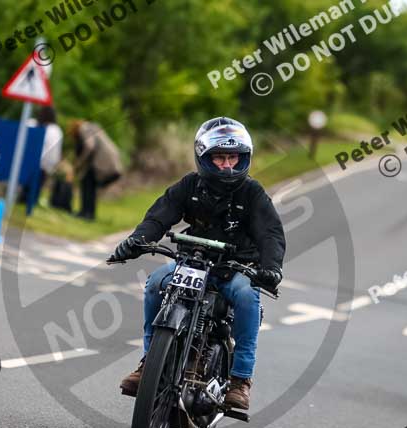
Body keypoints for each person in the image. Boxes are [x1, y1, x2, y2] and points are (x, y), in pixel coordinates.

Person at [109, 117, 286, 409]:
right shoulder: (189, 185)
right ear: (203, 158)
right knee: (155, 283)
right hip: (193, 262)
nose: (227, 165)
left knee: (245, 295)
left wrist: (271, 268)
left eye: (233, 158)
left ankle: (241, 379)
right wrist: (136, 240)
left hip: (235, 268)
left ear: (244, 159)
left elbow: (270, 234)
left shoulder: (252, 193)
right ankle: (148, 361)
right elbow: (159, 216)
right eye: (219, 158)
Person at [69, 120, 123, 220]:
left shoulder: (84, 129)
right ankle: (89, 214)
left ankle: (85, 214)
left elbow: (90, 146)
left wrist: (80, 161)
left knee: (87, 184)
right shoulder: (93, 127)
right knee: (90, 186)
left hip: (103, 162)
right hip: (112, 161)